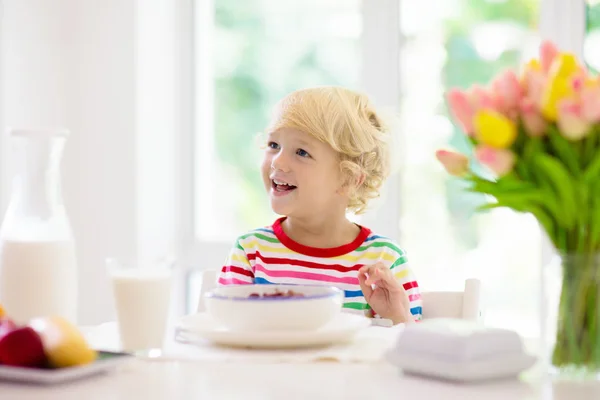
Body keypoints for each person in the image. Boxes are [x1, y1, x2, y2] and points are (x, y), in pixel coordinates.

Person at [218, 87, 422, 324]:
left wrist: (396, 316)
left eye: (301, 152)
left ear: (349, 178)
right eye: (274, 145)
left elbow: (411, 353)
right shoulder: (251, 252)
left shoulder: (383, 261)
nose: (278, 162)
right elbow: (225, 333)